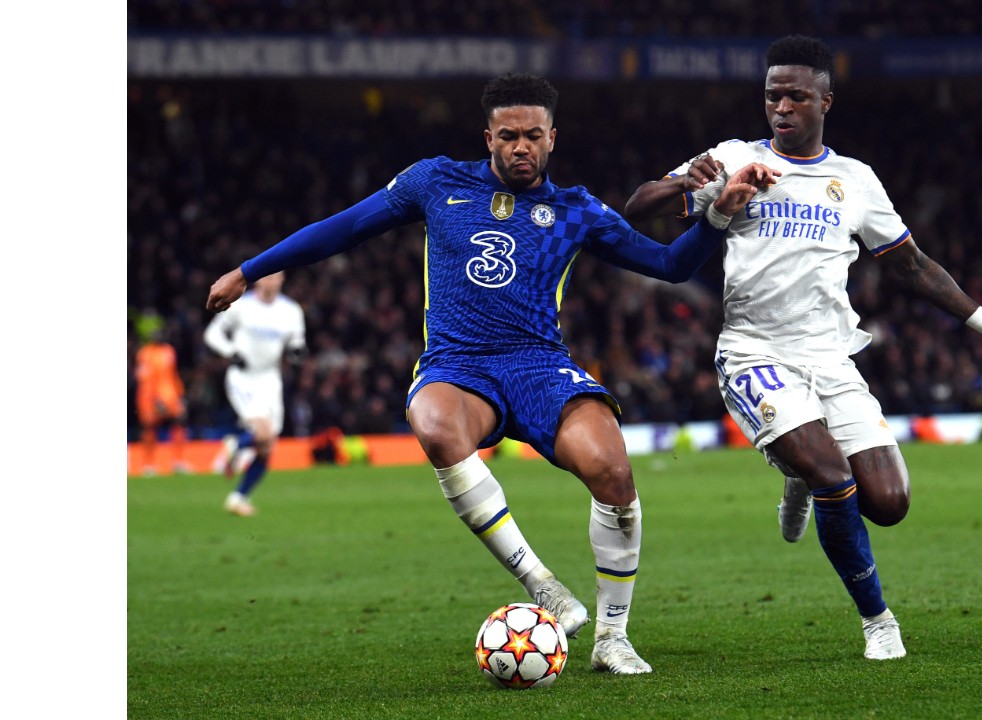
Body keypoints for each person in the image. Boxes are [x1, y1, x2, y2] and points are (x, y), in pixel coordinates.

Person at [204, 73, 774, 674]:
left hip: (541, 367)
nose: (520, 147)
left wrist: (715, 221)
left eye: (532, 136)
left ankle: (612, 637)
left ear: (553, 138)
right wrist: (248, 271)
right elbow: (342, 228)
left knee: (612, 470)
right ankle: (544, 586)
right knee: (433, 423)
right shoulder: (435, 182)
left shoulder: (576, 210)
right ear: (488, 137)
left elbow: (667, 264)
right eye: (507, 136)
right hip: (458, 363)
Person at [623, 35, 982, 661]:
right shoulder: (733, 157)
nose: (783, 107)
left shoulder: (854, 180)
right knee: (832, 474)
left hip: (830, 358)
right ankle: (878, 620)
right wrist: (695, 181)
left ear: (827, 100)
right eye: (773, 96)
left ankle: (799, 474)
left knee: (890, 504)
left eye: (797, 95)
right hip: (754, 351)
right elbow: (639, 208)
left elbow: (915, 266)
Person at [203, 270, 307, 517]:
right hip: (244, 378)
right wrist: (230, 352)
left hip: (270, 380)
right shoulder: (242, 306)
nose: (271, 281)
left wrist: (296, 353)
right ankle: (236, 445)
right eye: (267, 276)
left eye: (276, 276)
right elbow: (212, 334)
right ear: (258, 279)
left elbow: (297, 344)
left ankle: (238, 497)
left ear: (282, 279)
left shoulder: (291, 311)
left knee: (267, 446)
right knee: (263, 432)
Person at [133, 324, 191, 476]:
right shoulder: (145, 353)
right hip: (149, 397)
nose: (159, 337)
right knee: (150, 427)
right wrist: (154, 400)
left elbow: (173, 375)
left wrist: (180, 395)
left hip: (170, 395)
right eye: (156, 334)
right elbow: (145, 379)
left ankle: (178, 462)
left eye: (161, 334)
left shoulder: (168, 351)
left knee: (179, 423)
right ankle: (148, 465)